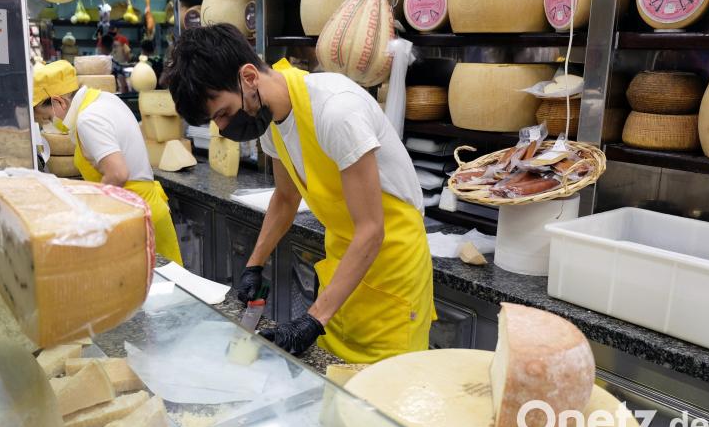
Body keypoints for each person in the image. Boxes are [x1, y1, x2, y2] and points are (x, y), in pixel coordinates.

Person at [166, 24, 435, 364]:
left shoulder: (337, 112)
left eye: (222, 113)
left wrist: (313, 319)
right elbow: (286, 197)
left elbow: (371, 230)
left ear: (249, 77)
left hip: (391, 276)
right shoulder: (272, 120)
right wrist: (254, 265)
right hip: (344, 272)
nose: (222, 128)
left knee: (384, 404)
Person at [32, 60, 183, 266]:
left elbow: (118, 173)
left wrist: (88, 214)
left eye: (47, 118)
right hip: (145, 210)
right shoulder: (104, 99)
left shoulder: (88, 119)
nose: (51, 124)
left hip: (135, 217)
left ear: (59, 102)